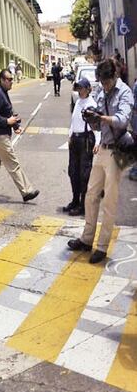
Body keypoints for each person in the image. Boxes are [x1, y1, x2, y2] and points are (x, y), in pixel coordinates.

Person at [67, 60, 134, 264]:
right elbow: (97, 123)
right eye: (102, 83)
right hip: (102, 148)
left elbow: (122, 120)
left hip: (117, 152)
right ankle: (87, 239)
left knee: (110, 201)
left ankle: (102, 246)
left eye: (106, 82)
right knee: (91, 194)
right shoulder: (101, 91)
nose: (104, 86)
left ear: (114, 76)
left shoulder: (125, 92)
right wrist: (91, 117)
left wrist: (102, 117)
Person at [0, 70, 39, 203]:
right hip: (0, 136)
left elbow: (8, 112)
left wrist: (15, 125)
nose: (12, 82)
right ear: (2, 80)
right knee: (13, 164)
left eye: (12, 79)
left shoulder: (3, 93)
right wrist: (7, 121)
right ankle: (26, 191)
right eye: (9, 79)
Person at [64, 78, 99, 217]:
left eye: (82, 88)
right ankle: (75, 200)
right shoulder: (78, 102)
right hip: (75, 140)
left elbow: (96, 126)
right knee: (73, 171)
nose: (80, 90)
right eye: (78, 88)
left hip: (86, 140)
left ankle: (83, 205)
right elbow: (74, 121)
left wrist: (97, 142)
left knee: (84, 174)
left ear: (88, 89)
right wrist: (70, 135)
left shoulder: (92, 104)